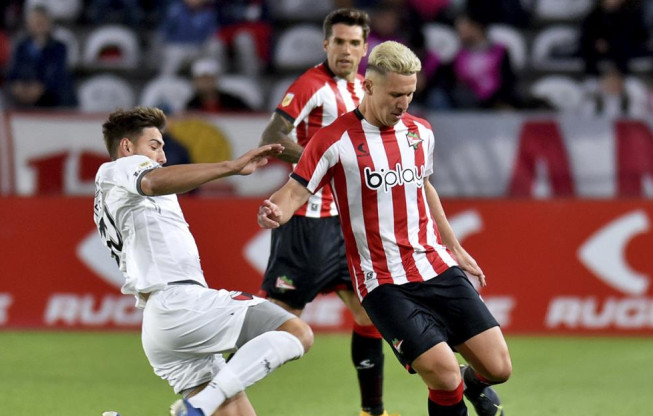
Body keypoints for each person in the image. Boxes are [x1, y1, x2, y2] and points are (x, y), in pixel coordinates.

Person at [258, 41, 512, 416]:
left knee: (498, 368)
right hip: (383, 282)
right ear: (369, 87)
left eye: (410, 94)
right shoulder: (334, 140)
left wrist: (454, 246)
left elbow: (424, 187)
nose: (403, 103)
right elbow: (296, 190)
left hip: (436, 266)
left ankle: (472, 384)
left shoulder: (420, 132)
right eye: (396, 94)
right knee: (443, 377)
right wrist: (274, 211)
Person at [93, 106, 313, 416]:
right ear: (127, 147)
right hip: (179, 303)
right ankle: (198, 406)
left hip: (164, 321)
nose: (161, 156)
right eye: (154, 146)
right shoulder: (117, 170)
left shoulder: (119, 194)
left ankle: (197, 406)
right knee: (296, 332)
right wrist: (231, 166)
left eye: (162, 148)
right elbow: (153, 182)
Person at [257, 8, 395, 416]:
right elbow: (272, 136)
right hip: (306, 223)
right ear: (326, 45)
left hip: (346, 224)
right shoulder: (311, 85)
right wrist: (324, 159)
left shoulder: (363, 90)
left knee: (370, 312)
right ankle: (211, 396)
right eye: (339, 42)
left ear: (365, 47)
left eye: (354, 43)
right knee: (278, 324)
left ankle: (373, 411)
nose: (347, 50)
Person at [6, 5, 76, 108]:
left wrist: (41, 88)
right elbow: (13, 71)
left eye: (41, 22)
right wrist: (17, 85)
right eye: (35, 22)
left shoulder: (59, 47)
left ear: (49, 23)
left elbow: (57, 73)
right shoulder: (21, 47)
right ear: (28, 24)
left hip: (51, 99)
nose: (38, 25)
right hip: (23, 98)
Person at [185, 58, 251, 112]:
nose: (205, 83)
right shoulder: (191, 106)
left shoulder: (234, 102)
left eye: (208, 79)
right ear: (194, 82)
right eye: (200, 79)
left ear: (216, 80)